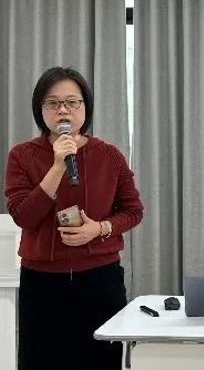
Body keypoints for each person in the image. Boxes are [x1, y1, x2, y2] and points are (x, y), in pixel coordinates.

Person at [4, 67, 144, 370]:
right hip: (42, 282)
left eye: (71, 102)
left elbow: (133, 211)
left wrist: (100, 228)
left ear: (85, 107)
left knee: (101, 362)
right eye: (53, 103)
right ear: (40, 109)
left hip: (100, 279)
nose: (63, 110)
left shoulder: (109, 155)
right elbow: (24, 216)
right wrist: (57, 166)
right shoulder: (22, 155)